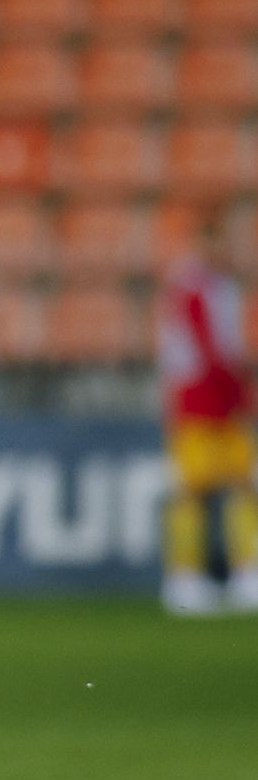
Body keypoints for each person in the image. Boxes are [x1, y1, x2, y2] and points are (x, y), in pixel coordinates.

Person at [157, 210, 257, 615]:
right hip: (201, 402)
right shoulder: (194, 288)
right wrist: (242, 396)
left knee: (240, 488)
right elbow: (209, 352)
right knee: (193, 491)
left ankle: (244, 572)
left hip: (218, 399)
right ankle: (185, 578)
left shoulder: (218, 287)